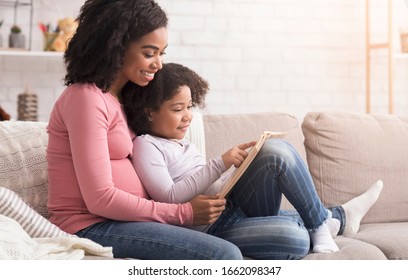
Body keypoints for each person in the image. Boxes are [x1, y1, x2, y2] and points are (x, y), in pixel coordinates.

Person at [122, 62, 384, 259]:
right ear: (149, 112)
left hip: (233, 205)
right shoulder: (146, 145)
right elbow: (168, 197)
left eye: (190, 106)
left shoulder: (184, 143)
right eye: (178, 109)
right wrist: (219, 164)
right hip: (209, 230)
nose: (188, 116)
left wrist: (236, 172)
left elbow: (204, 186)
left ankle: (320, 225)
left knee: (275, 150)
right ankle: (335, 218)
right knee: (294, 238)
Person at [46, 0, 243, 260]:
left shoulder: (125, 97)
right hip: (91, 225)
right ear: (115, 48)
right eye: (149, 53)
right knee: (224, 255)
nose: (158, 64)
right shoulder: (85, 98)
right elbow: (100, 199)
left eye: (162, 53)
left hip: (123, 220)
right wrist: (183, 213)